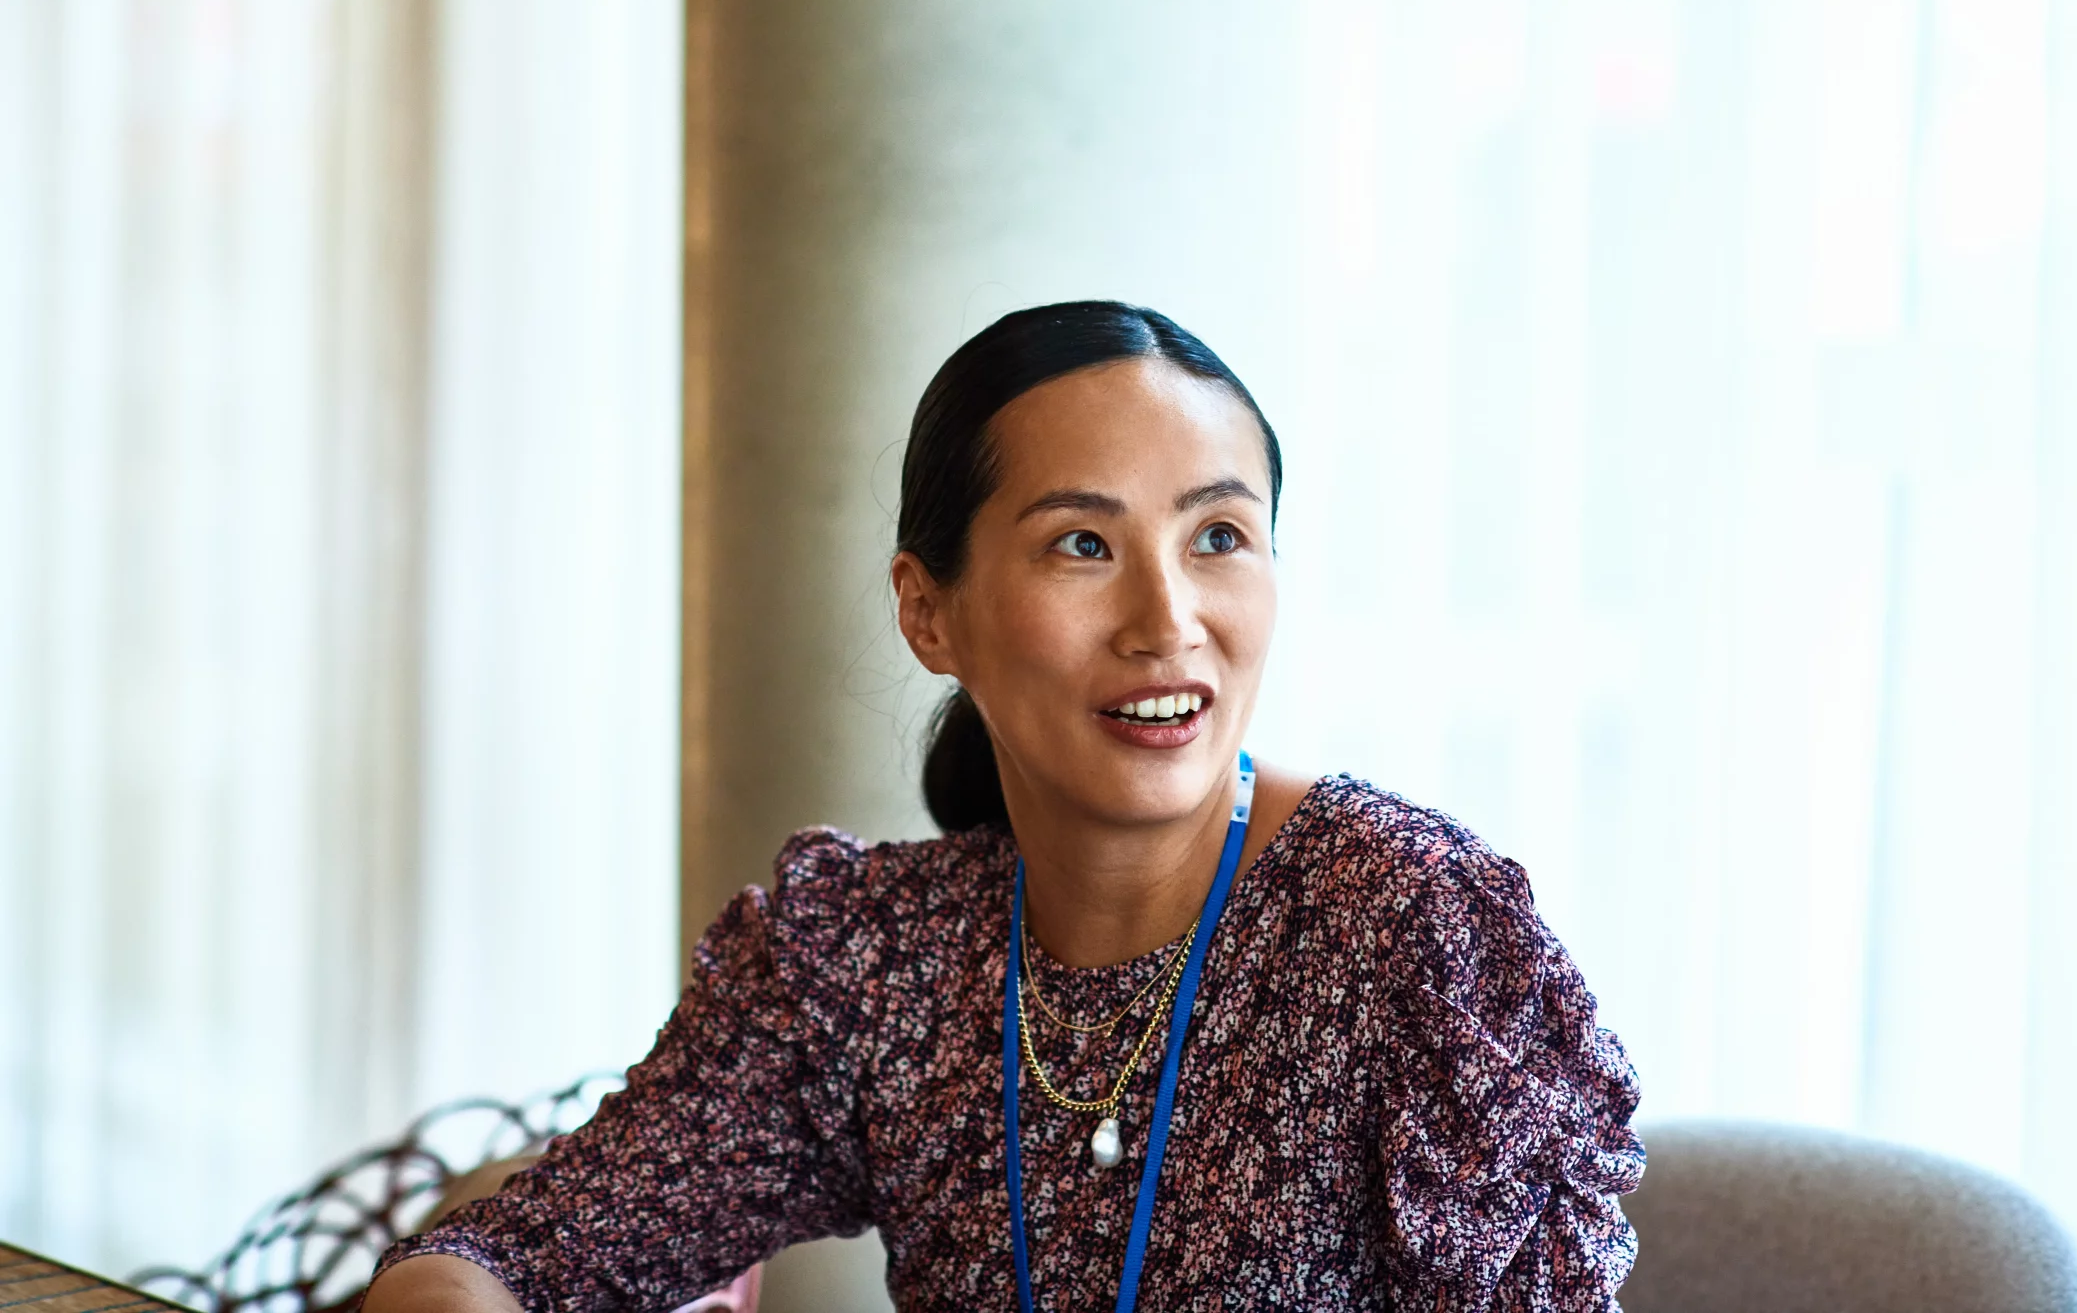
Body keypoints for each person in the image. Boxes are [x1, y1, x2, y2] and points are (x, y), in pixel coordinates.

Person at [364, 301, 1642, 1313]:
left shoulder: (1403, 928)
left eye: (1216, 538)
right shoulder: (869, 966)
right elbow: (527, 1256)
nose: (1167, 621)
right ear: (929, 610)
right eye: (1082, 545)